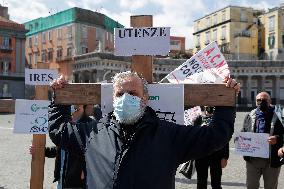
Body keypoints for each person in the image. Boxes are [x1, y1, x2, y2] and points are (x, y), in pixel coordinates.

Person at [49, 71, 240, 189]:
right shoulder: (92, 133)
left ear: (145, 98)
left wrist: (225, 101)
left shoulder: (169, 135)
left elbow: (216, 136)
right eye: (120, 94)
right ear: (114, 100)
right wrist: (59, 99)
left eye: (132, 93)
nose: (125, 98)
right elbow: (59, 130)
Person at [30, 104, 93, 189]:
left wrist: (87, 169)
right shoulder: (65, 122)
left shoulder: (90, 124)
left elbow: (95, 152)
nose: (74, 104)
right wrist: (42, 151)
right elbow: (60, 147)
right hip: (62, 179)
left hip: (78, 183)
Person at [241, 91, 284, 189]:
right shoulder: (249, 116)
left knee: (270, 186)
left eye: (264, 100)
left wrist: (277, 139)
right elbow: (243, 131)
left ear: (270, 101)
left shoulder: (279, 116)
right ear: (255, 102)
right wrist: (239, 140)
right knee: (251, 186)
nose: (261, 102)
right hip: (253, 159)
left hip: (271, 159)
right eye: (258, 100)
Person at [194, 106, 229, 189]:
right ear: (204, 106)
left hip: (217, 154)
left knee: (216, 182)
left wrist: (225, 157)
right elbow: (194, 135)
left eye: (212, 106)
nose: (209, 107)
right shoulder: (198, 119)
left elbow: (225, 138)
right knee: (201, 181)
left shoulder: (220, 119)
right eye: (207, 105)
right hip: (201, 155)